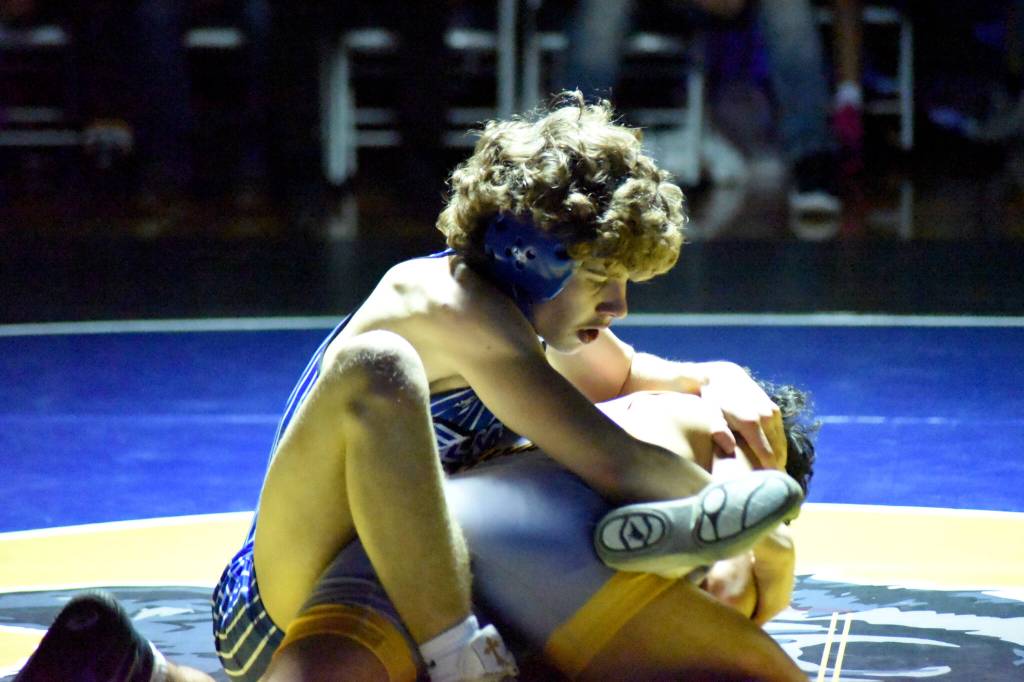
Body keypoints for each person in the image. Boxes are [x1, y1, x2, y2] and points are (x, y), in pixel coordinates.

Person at [17, 93, 802, 682]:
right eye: (602, 278)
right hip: (282, 590)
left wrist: (725, 379)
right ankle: (461, 657)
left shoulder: (537, 323)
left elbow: (642, 381)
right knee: (377, 375)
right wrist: (751, 517)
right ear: (531, 254)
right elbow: (615, 462)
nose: (618, 306)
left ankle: (149, 674)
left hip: (406, 578)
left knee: (546, 503)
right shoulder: (446, 304)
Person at [14, 380, 815, 682]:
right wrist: (765, 535)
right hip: (551, 562)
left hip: (419, 541)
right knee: (752, 622)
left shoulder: (635, 388)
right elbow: (734, 563)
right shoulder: (712, 425)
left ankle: (142, 674)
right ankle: (700, 532)